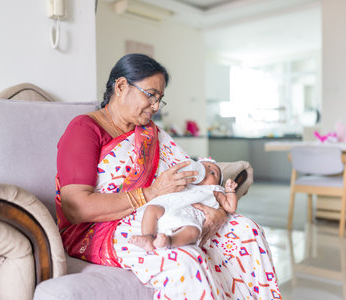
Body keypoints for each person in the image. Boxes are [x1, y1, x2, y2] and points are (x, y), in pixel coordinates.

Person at [55, 53, 281, 299]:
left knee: (248, 230)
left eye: (160, 99)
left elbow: (191, 178)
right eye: (150, 95)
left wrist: (218, 212)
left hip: (173, 212)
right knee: (186, 260)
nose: (155, 106)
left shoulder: (151, 133)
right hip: (103, 229)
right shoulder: (85, 129)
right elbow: (76, 208)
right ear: (121, 86)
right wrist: (151, 193)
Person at [129, 159, 238, 251]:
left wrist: (230, 191)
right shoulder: (186, 181)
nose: (207, 171)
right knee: (151, 209)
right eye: (204, 167)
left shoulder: (214, 190)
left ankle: (170, 241)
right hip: (170, 208)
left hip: (190, 216)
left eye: (213, 173)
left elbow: (230, 207)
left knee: (193, 232)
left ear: (217, 183)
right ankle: (148, 237)